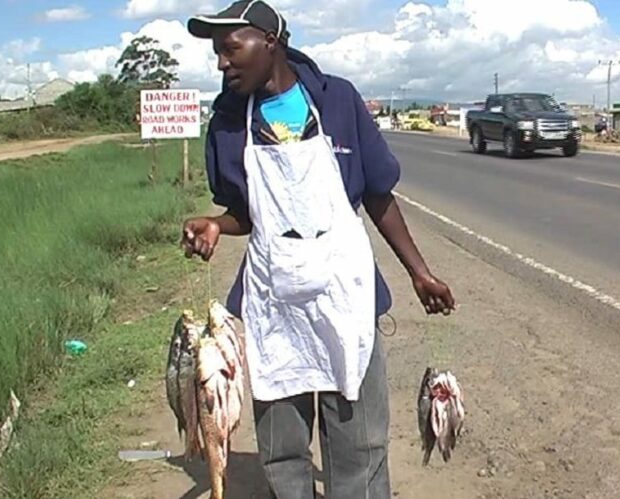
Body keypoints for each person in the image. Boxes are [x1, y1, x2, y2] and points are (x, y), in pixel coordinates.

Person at [182, 2, 455, 497]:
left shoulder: (337, 102)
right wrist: (218, 224)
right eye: (217, 53)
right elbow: (250, 211)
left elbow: (376, 194)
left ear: (270, 40)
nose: (221, 63)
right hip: (275, 301)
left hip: (344, 294)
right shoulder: (226, 121)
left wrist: (419, 272)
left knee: (360, 443)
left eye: (230, 48)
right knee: (282, 445)